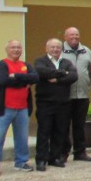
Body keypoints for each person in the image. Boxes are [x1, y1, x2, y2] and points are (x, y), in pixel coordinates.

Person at [0, 40, 39, 176]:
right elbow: (2, 80)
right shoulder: (1, 65)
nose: (16, 50)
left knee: (22, 138)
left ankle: (21, 162)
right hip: (4, 108)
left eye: (18, 47)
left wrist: (16, 76)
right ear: (7, 50)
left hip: (22, 108)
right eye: (13, 47)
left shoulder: (25, 65)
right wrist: (24, 82)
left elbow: (35, 77)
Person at [33, 38, 78, 171]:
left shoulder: (66, 62)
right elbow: (42, 72)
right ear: (46, 48)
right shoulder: (41, 61)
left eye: (58, 47)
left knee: (60, 131)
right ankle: (41, 159)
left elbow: (74, 76)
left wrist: (57, 79)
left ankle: (55, 157)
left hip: (63, 103)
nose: (55, 49)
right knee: (44, 131)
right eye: (52, 47)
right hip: (45, 103)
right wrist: (63, 73)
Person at [62, 27, 91, 162]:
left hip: (82, 94)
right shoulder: (60, 51)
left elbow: (90, 71)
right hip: (66, 95)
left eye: (76, 34)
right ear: (65, 37)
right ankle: (63, 152)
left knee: (80, 125)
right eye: (71, 35)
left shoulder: (87, 51)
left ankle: (80, 152)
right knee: (64, 125)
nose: (74, 37)